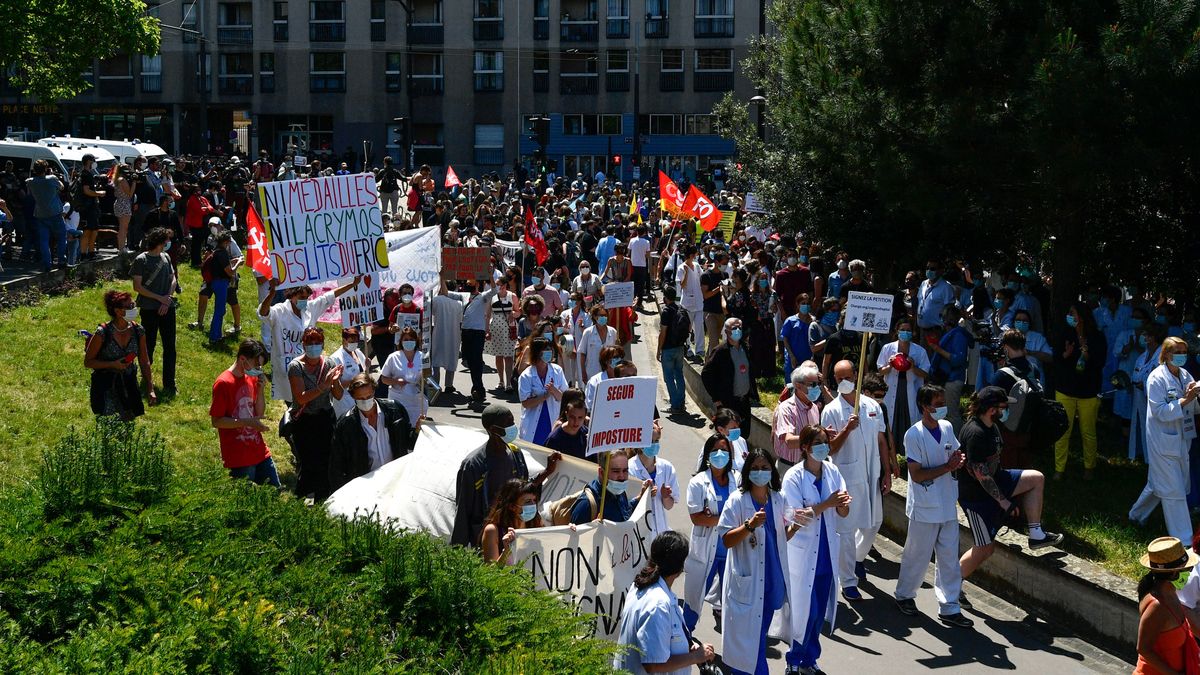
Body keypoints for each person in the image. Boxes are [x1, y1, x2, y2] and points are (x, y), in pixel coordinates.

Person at [958, 386, 1064, 605]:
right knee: (984, 549)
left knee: (1036, 478)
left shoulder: (993, 427)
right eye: (1003, 407)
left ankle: (1036, 534)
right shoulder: (975, 433)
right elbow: (981, 475)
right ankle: (950, 585)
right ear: (991, 409)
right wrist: (1004, 501)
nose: (1006, 411)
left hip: (999, 479)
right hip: (977, 498)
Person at [895, 385, 973, 627]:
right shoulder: (913, 435)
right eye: (937, 404)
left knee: (949, 558)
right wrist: (948, 467)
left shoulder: (947, 427)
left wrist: (959, 460)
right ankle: (904, 595)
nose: (942, 408)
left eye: (943, 403)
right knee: (917, 556)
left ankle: (949, 606)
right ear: (924, 406)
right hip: (924, 506)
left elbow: (956, 454)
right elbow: (917, 475)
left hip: (947, 503)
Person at [717, 448, 794, 675]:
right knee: (749, 644)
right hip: (747, 584)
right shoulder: (737, 501)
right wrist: (749, 526)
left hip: (772, 581)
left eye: (765, 468)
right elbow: (726, 540)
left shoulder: (778, 499)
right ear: (747, 471)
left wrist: (797, 525)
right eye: (756, 468)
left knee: (757, 639)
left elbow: (780, 537)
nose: (760, 472)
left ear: (772, 471)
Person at [781, 424, 850, 675]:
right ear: (805, 447)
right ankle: (793, 660)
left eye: (825, 442)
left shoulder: (832, 471)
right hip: (802, 553)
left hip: (826, 553)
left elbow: (843, 511)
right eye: (817, 443)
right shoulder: (793, 477)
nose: (823, 447)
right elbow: (795, 516)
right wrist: (828, 503)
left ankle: (809, 660)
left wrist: (841, 505)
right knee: (803, 613)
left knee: (818, 612)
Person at [822, 359, 890, 600]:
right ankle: (848, 581)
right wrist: (847, 429)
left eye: (848, 377)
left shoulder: (872, 405)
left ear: (857, 377)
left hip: (872, 475)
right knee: (847, 530)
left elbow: (881, 440)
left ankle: (858, 558)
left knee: (874, 522)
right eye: (839, 378)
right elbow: (829, 448)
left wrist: (887, 471)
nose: (844, 382)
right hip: (847, 478)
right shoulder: (831, 410)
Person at [450, 404, 560, 546]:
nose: (513, 427)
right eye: (508, 423)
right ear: (493, 429)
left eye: (513, 421)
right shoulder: (473, 465)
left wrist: (547, 471)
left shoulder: (516, 454)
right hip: (488, 537)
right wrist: (458, 549)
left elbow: (524, 490)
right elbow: (463, 510)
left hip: (515, 530)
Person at [614, 530, 717, 674]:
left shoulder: (643, 587)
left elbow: (665, 637)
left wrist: (687, 646)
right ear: (680, 567)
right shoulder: (658, 605)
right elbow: (653, 665)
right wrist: (695, 657)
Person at [1130, 337, 1200, 544]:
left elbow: (1193, 407)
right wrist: (1185, 400)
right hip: (1162, 440)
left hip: (1182, 437)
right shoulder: (1156, 378)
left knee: (1158, 483)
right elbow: (1160, 412)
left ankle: (1136, 516)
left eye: (1184, 352)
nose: (1182, 356)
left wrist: (1195, 397)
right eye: (1177, 352)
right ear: (1166, 354)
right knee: (1173, 490)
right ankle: (1185, 540)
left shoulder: (1185, 375)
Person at [260, 276, 360, 403]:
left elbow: (330, 296)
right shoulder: (280, 311)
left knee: (310, 399)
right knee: (294, 401)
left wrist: (352, 284)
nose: (304, 301)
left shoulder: (311, 308)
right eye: (301, 297)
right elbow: (263, 313)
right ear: (291, 295)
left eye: (306, 297)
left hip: (309, 366)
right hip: (287, 367)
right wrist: (272, 293)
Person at [683, 434, 740, 631]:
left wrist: (714, 518)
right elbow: (697, 518)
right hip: (706, 550)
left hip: (731, 551)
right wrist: (726, 519)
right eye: (715, 450)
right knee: (694, 598)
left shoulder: (737, 479)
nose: (719, 454)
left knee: (732, 601)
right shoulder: (698, 482)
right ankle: (684, 635)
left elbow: (743, 511)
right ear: (707, 454)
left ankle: (732, 643)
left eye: (724, 450)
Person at [327, 373, 416, 493]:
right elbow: (336, 465)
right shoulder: (346, 425)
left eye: (369, 396)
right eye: (361, 399)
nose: (365, 401)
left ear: (374, 392)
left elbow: (409, 442)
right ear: (353, 397)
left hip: (395, 480)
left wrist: (418, 430)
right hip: (367, 486)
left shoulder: (395, 410)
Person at [209, 339, 278, 486]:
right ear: (242, 359)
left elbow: (259, 412)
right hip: (238, 457)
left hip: (260, 451)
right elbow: (216, 421)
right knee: (245, 497)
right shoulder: (223, 383)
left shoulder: (251, 377)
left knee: (274, 492)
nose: (259, 369)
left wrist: (260, 390)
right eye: (257, 365)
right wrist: (247, 422)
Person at [1052, 302, 1107, 481]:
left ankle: (1089, 467)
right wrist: (1066, 355)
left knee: (1088, 432)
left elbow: (1100, 363)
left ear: (1082, 316)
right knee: (1063, 431)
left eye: (1072, 313)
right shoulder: (1064, 333)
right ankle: (1059, 468)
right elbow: (1056, 359)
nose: (1069, 316)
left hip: (1088, 391)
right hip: (1065, 389)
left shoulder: (1097, 337)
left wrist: (1087, 356)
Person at [84, 290, 155, 420]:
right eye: (130, 306)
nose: (134, 309)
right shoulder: (102, 333)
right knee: (108, 424)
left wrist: (150, 388)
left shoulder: (138, 331)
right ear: (118, 311)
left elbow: (144, 361)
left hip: (129, 385)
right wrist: (112, 364)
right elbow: (88, 362)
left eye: (134, 305)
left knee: (129, 424)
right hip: (106, 388)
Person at [1134, 537, 1200, 675]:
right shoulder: (1157, 607)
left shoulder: (1172, 594)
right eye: (1188, 568)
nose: (1190, 572)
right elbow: (1143, 649)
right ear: (1174, 573)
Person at [129, 227, 178, 396]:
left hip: (167, 308)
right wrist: (159, 299)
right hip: (149, 309)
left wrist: (167, 298)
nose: (168, 243)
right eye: (166, 240)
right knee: (148, 345)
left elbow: (173, 278)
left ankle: (169, 383)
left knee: (170, 347)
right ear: (159, 242)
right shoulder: (141, 260)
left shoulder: (166, 257)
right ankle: (146, 379)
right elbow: (137, 286)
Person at [877, 317, 931, 454]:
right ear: (897, 331)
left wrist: (913, 366)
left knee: (910, 421)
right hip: (892, 391)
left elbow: (925, 373)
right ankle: (892, 455)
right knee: (891, 422)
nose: (905, 333)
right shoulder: (888, 348)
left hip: (911, 391)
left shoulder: (919, 351)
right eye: (902, 330)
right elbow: (881, 370)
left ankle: (909, 454)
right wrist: (890, 365)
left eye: (908, 330)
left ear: (913, 332)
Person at [702, 318, 757, 439]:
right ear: (726, 331)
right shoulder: (720, 351)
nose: (738, 330)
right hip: (728, 402)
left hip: (744, 401)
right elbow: (706, 374)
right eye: (734, 328)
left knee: (744, 434)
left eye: (739, 327)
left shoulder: (745, 347)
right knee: (728, 437)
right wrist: (716, 399)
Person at [569, 449, 653, 524]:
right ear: (601, 473)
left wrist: (640, 497)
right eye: (616, 471)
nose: (622, 477)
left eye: (625, 470)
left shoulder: (619, 493)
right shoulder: (586, 505)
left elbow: (625, 512)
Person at [480, 479, 545, 565]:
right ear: (512, 506)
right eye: (528, 501)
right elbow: (490, 571)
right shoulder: (493, 531)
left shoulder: (536, 524)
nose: (533, 505)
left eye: (534, 500)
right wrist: (506, 551)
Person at [774, 365, 824, 475]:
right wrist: (818, 437)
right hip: (789, 467)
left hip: (810, 467)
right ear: (798, 385)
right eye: (813, 384)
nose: (817, 388)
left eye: (818, 383)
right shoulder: (786, 408)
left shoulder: (814, 408)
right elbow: (789, 441)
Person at [517, 337, 568, 445]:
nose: (549, 352)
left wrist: (554, 390)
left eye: (550, 349)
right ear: (537, 352)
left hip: (552, 420)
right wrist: (544, 396)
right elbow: (525, 403)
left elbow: (564, 398)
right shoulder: (526, 375)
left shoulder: (557, 370)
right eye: (546, 350)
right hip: (534, 424)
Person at [1131, 323, 1168, 462]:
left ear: (1153, 337)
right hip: (1139, 396)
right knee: (1141, 424)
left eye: (1145, 335)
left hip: (1156, 400)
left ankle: (1155, 458)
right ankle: (1144, 456)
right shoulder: (1142, 356)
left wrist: (1146, 384)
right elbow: (1136, 375)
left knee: (1155, 427)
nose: (1143, 337)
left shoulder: (1163, 357)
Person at [380, 326, 428, 425]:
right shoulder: (393, 357)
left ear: (416, 341)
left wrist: (423, 380)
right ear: (401, 341)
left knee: (417, 428)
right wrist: (396, 381)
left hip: (417, 401)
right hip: (398, 400)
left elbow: (429, 378)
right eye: (406, 340)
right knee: (400, 428)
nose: (408, 342)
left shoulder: (423, 357)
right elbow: (384, 379)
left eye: (411, 339)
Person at [629, 440, 678, 536]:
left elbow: (669, 506)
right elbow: (627, 508)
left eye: (657, 440)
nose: (654, 444)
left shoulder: (666, 467)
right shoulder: (628, 469)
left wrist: (665, 497)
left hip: (661, 531)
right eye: (651, 441)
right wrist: (644, 496)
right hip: (639, 534)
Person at [657, 286, 691, 413]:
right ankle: (681, 402)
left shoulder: (666, 312)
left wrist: (659, 349)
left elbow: (663, 333)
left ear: (665, 297)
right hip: (680, 348)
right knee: (679, 375)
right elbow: (689, 327)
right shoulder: (681, 309)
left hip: (668, 349)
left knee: (669, 378)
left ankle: (675, 405)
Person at [429, 278, 466, 394]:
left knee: (436, 360)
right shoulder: (459, 304)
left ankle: (436, 384)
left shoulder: (436, 300)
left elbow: (431, 313)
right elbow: (461, 320)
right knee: (451, 358)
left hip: (438, 333)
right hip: (454, 335)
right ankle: (449, 385)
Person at [483, 275, 518, 392]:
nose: (497, 286)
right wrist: (487, 331)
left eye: (499, 284)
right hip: (496, 328)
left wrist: (513, 314)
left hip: (509, 328)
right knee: (498, 355)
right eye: (496, 284)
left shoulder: (512, 296)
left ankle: (508, 383)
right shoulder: (492, 297)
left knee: (509, 356)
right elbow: (488, 315)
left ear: (505, 285)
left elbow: (518, 311)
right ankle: (501, 381)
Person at [327, 327, 368, 419]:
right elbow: (335, 385)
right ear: (343, 340)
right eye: (351, 341)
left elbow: (364, 371)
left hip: (361, 397)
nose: (354, 344)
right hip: (345, 401)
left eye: (356, 341)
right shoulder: (336, 358)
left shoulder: (358, 352)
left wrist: (367, 365)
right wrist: (356, 381)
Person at [543, 396, 589, 460]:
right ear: (566, 414)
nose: (576, 421)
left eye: (580, 417)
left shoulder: (587, 435)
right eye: (572, 417)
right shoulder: (554, 439)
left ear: (585, 416)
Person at [780, 295, 815, 377]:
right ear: (797, 304)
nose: (806, 306)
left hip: (808, 358)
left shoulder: (813, 321)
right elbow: (785, 339)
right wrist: (791, 356)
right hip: (793, 357)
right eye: (803, 303)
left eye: (808, 303)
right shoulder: (790, 320)